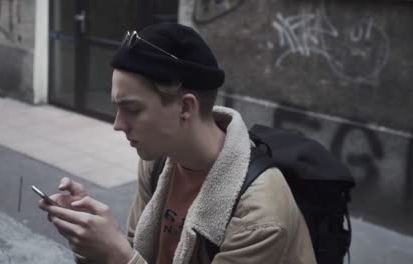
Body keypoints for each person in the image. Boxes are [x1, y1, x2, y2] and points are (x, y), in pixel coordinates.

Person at [39, 23, 316, 264]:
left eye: (132, 109)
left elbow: (128, 258)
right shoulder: (156, 162)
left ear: (185, 107)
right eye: (117, 108)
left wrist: (116, 255)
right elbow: (139, 252)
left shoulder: (260, 215)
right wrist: (92, 241)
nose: (118, 124)